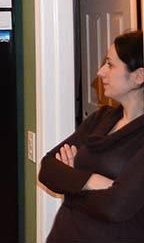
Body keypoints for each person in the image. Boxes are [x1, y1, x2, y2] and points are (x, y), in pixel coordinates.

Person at [38, 30, 144, 242]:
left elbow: (116, 206)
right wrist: (91, 181)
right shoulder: (101, 118)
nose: (100, 72)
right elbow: (47, 168)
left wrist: (71, 184)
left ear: (139, 76)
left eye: (110, 65)